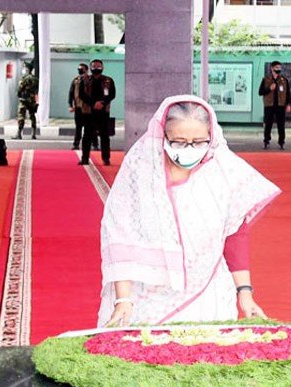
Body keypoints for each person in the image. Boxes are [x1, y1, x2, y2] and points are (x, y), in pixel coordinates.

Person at [97, 95, 281, 327]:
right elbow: (120, 235)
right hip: (145, 299)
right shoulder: (140, 173)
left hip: (208, 292)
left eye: (199, 141)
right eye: (179, 142)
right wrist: (123, 299)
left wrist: (244, 292)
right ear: (162, 137)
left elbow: (235, 233)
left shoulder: (224, 171)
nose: (190, 149)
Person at [78, 59, 115, 165]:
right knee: (87, 136)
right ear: (90, 68)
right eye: (94, 66)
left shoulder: (108, 80)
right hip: (89, 111)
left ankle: (106, 158)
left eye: (99, 66)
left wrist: (102, 103)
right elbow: (81, 94)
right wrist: (93, 103)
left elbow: (112, 94)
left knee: (105, 136)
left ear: (103, 68)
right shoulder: (84, 80)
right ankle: (85, 158)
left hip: (103, 112)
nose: (96, 68)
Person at [258, 61, 291, 150]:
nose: (278, 69)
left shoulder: (284, 80)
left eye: (279, 68)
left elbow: (288, 93)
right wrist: (269, 89)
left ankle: (282, 142)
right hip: (269, 105)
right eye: (276, 68)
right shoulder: (266, 79)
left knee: (281, 125)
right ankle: (266, 141)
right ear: (272, 68)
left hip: (281, 105)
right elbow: (260, 92)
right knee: (268, 124)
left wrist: (288, 104)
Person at [68, 63, 97, 150]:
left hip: (89, 107)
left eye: (82, 69)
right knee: (78, 127)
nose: (80, 70)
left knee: (92, 127)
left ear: (86, 70)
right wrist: (70, 105)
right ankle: (76, 144)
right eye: (79, 69)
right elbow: (71, 93)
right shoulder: (76, 80)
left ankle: (95, 144)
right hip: (79, 107)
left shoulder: (92, 80)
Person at [16, 62, 39, 140]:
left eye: (24, 68)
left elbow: (20, 89)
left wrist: (18, 94)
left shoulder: (24, 78)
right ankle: (33, 134)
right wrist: (36, 101)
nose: (24, 69)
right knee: (32, 116)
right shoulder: (35, 79)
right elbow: (36, 91)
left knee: (21, 116)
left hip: (24, 99)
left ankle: (19, 134)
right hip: (32, 100)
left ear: (27, 69)